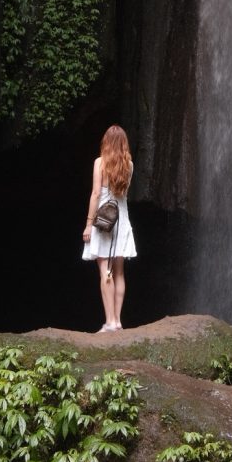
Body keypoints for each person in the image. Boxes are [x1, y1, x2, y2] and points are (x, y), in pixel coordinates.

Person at [82, 125, 137, 332]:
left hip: (104, 221)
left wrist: (89, 224)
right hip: (121, 221)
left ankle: (110, 322)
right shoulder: (129, 165)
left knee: (105, 271)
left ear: (106, 142)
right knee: (119, 272)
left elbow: (96, 194)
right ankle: (118, 321)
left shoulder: (100, 163)